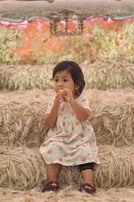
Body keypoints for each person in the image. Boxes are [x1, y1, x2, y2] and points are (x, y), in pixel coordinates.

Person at [40, 61, 99, 194]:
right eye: (56, 80)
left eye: (65, 80)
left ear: (76, 84)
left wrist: (72, 101)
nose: (59, 84)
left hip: (80, 136)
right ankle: (52, 181)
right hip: (60, 136)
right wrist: (56, 106)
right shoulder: (53, 101)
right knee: (52, 148)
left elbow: (84, 116)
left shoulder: (81, 100)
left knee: (85, 152)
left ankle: (88, 182)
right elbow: (49, 123)